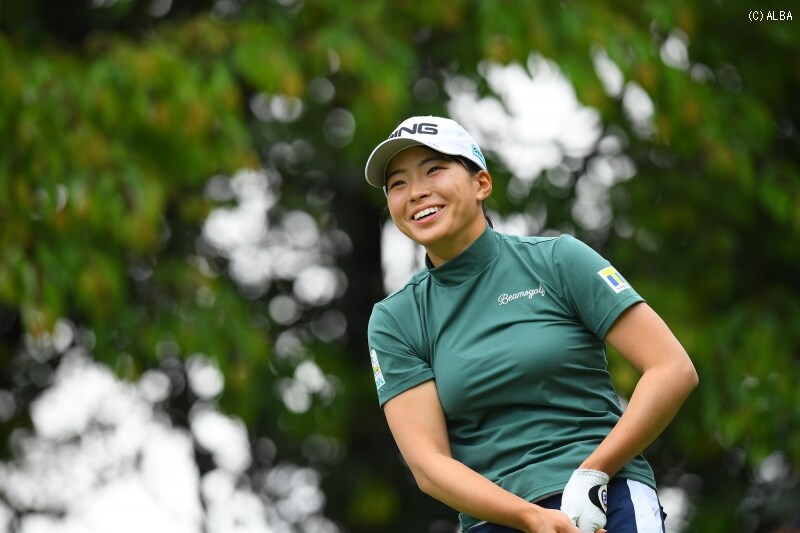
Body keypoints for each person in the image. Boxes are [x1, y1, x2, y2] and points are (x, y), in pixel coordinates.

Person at [364, 115, 699, 533]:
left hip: (606, 498)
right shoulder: (395, 320)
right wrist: (531, 517)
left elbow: (672, 368)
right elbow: (429, 465)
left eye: (433, 170)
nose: (416, 192)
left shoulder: (558, 260)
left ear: (481, 183)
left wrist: (593, 472)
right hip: (496, 520)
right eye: (398, 184)